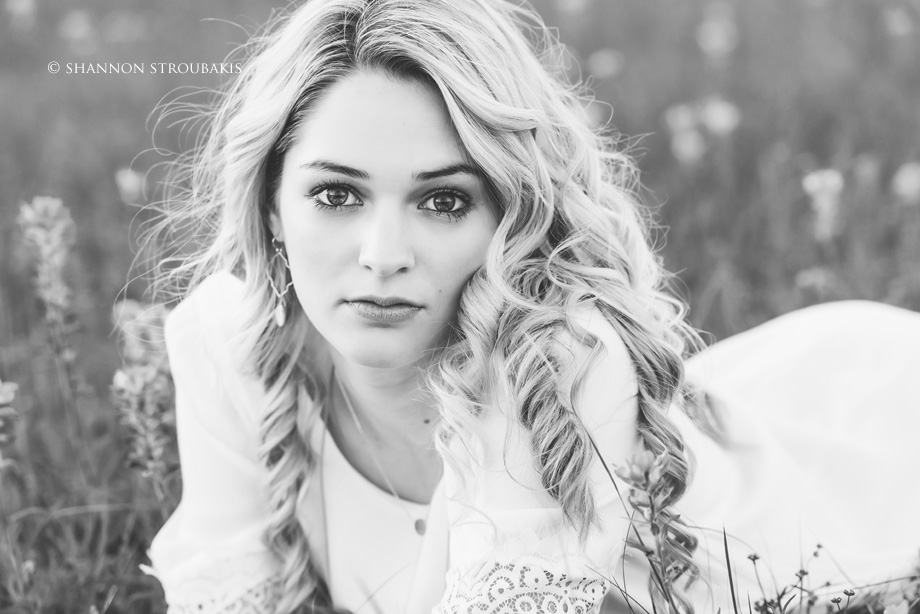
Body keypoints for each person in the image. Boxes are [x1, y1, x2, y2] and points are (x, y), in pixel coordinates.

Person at [141, 0, 920, 612]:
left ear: (511, 217)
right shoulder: (228, 339)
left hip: (879, 440)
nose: (382, 253)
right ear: (273, 208)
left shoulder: (559, 367)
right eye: (336, 194)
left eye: (443, 201)